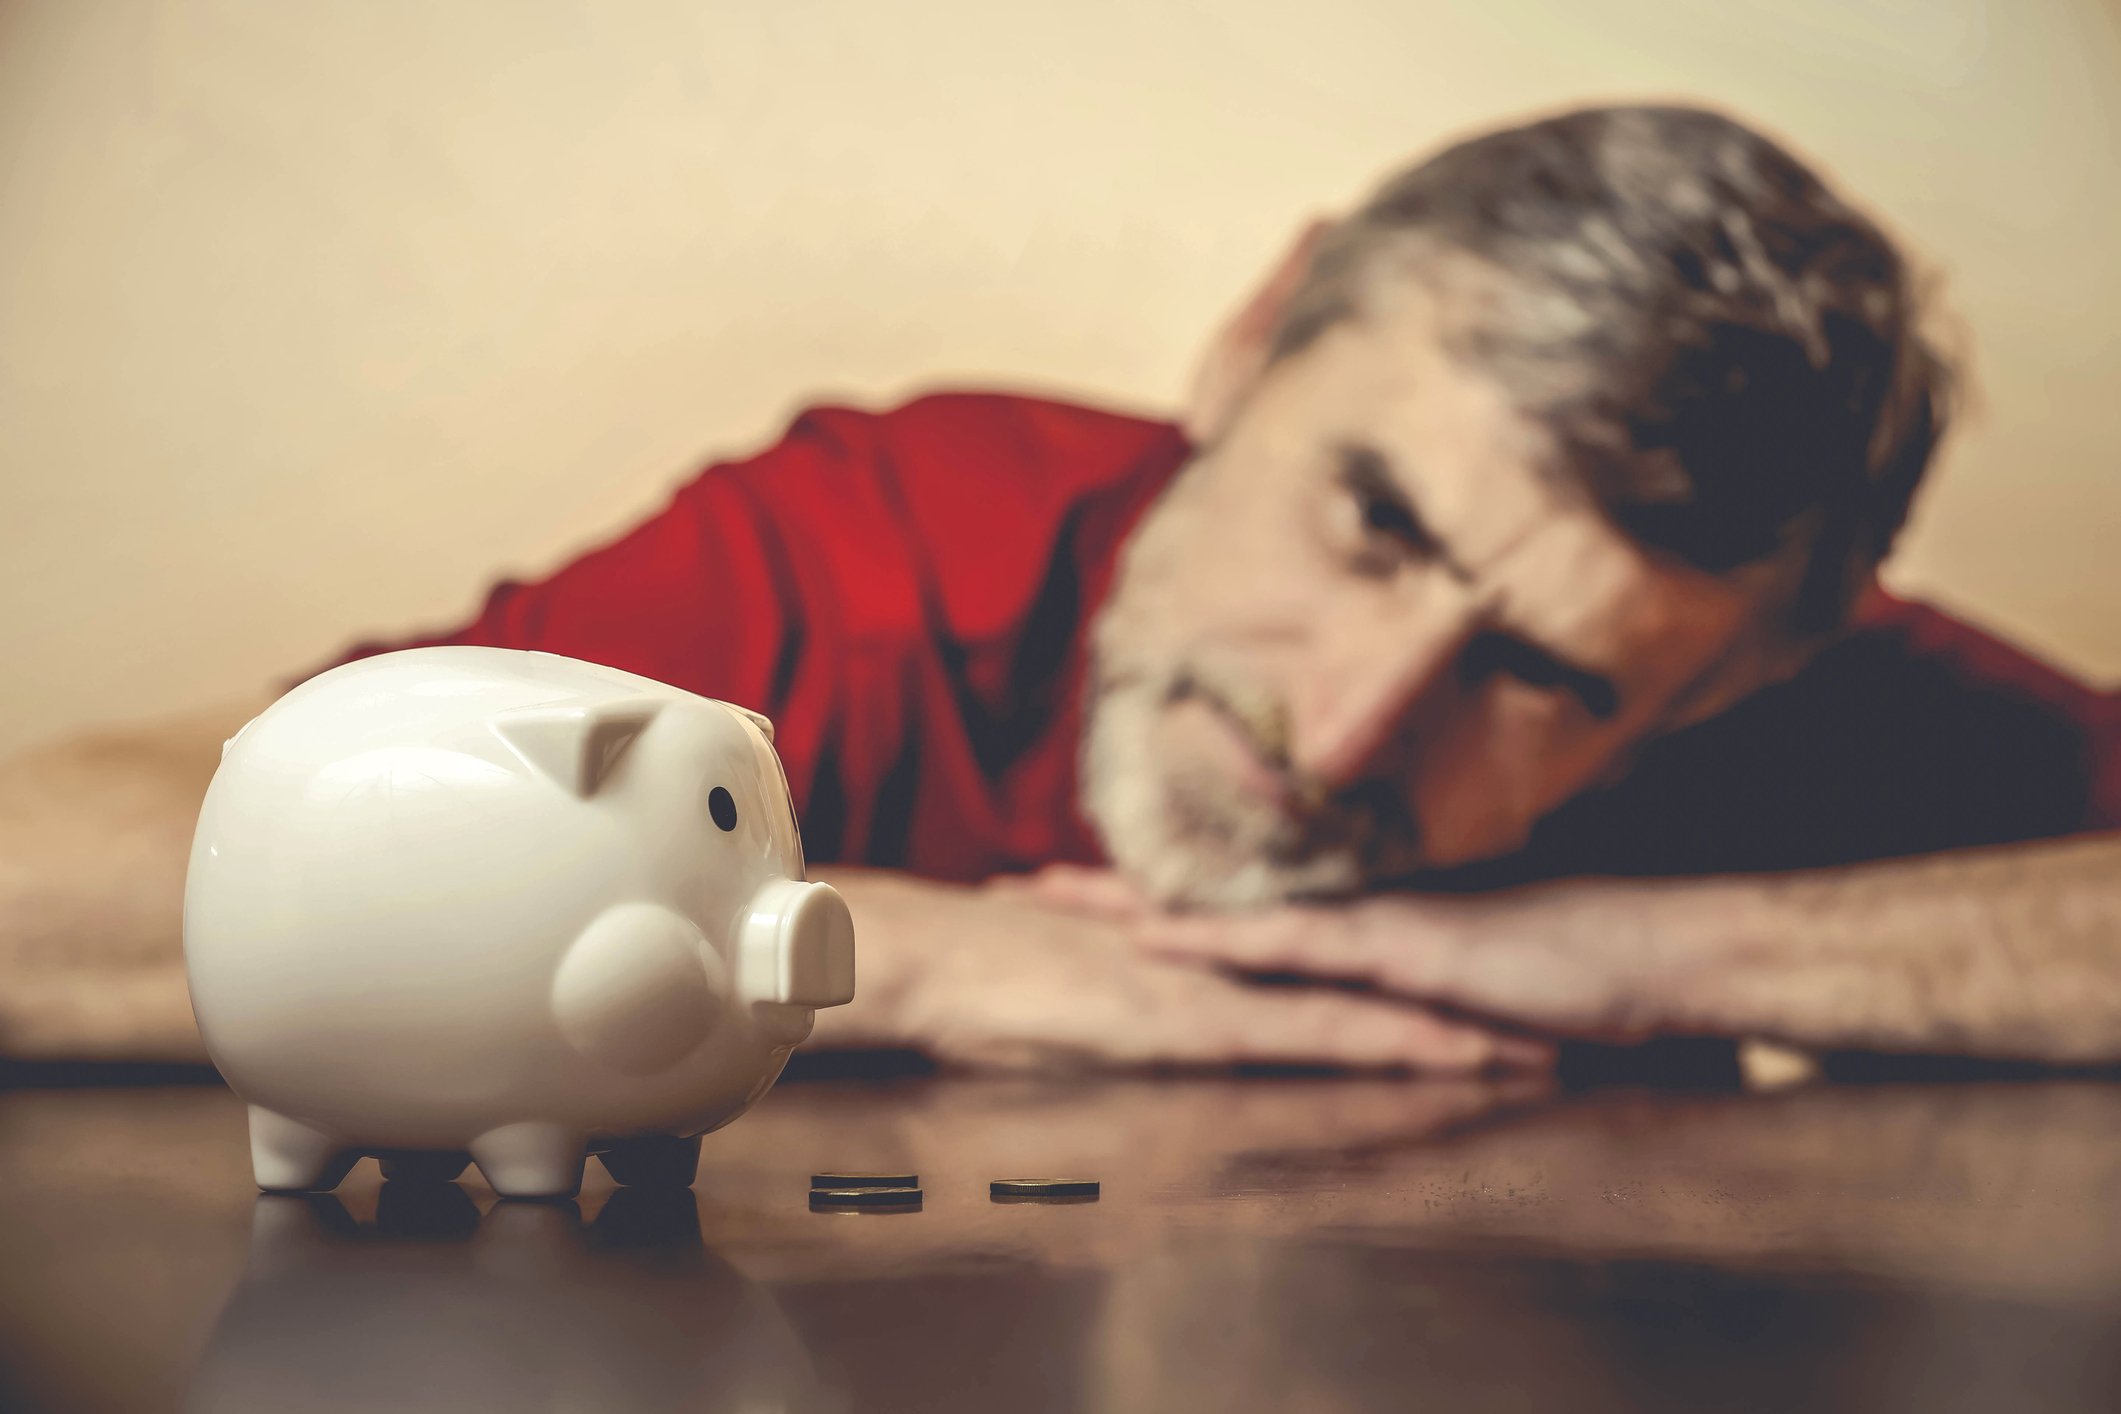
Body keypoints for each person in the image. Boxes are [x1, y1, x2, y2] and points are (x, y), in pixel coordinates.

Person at [6, 104, 2119, 1073]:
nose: (1352, 719)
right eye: (1372, 515)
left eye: (1547, 673)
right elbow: (44, 873)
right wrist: (880, 958)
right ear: (1249, 342)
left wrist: (1621, 955)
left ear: (1718, 689)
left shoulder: (1780, 665)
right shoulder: (887, 554)